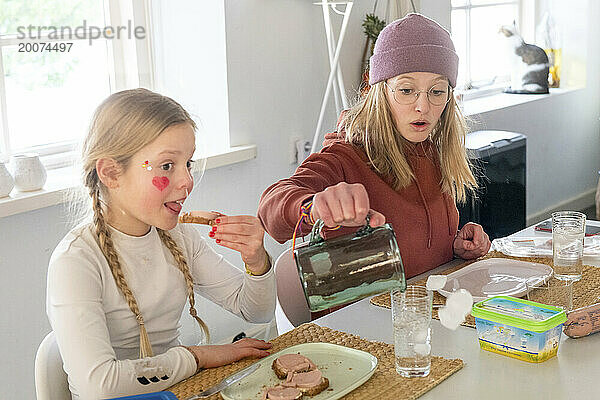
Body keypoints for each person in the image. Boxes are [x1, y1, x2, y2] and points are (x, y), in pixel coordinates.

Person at [47, 89, 275, 399]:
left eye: (188, 164)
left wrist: (256, 261)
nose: (187, 182)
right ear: (111, 173)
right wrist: (197, 357)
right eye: (167, 166)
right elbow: (98, 385)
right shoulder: (75, 261)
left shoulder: (179, 236)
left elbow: (255, 310)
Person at [258, 13, 491, 283]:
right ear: (378, 89)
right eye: (406, 90)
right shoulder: (345, 155)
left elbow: (413, 251)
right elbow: (270, 208)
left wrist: (453, 247)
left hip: (422, 308)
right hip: (361, 320)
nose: (423, 106)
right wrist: (314, 207)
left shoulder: (432, 149)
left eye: (436, 92)